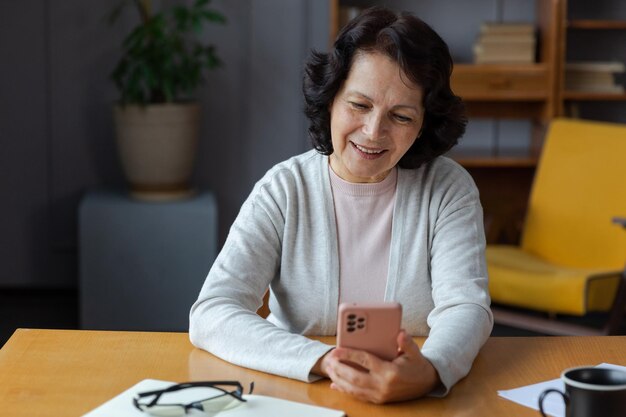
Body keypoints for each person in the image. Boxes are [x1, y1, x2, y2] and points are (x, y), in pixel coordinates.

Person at [189, 6, 492, 404]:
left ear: (422, 125)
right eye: (359, 105)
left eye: (400, 116)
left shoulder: (448, 188)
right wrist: (325, 359)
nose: (373, 132)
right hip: (298, 394)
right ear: (330, 98)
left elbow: (466, 307)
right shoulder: (283, 189)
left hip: (416, 403)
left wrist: (429, 370)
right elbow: (212, 312)